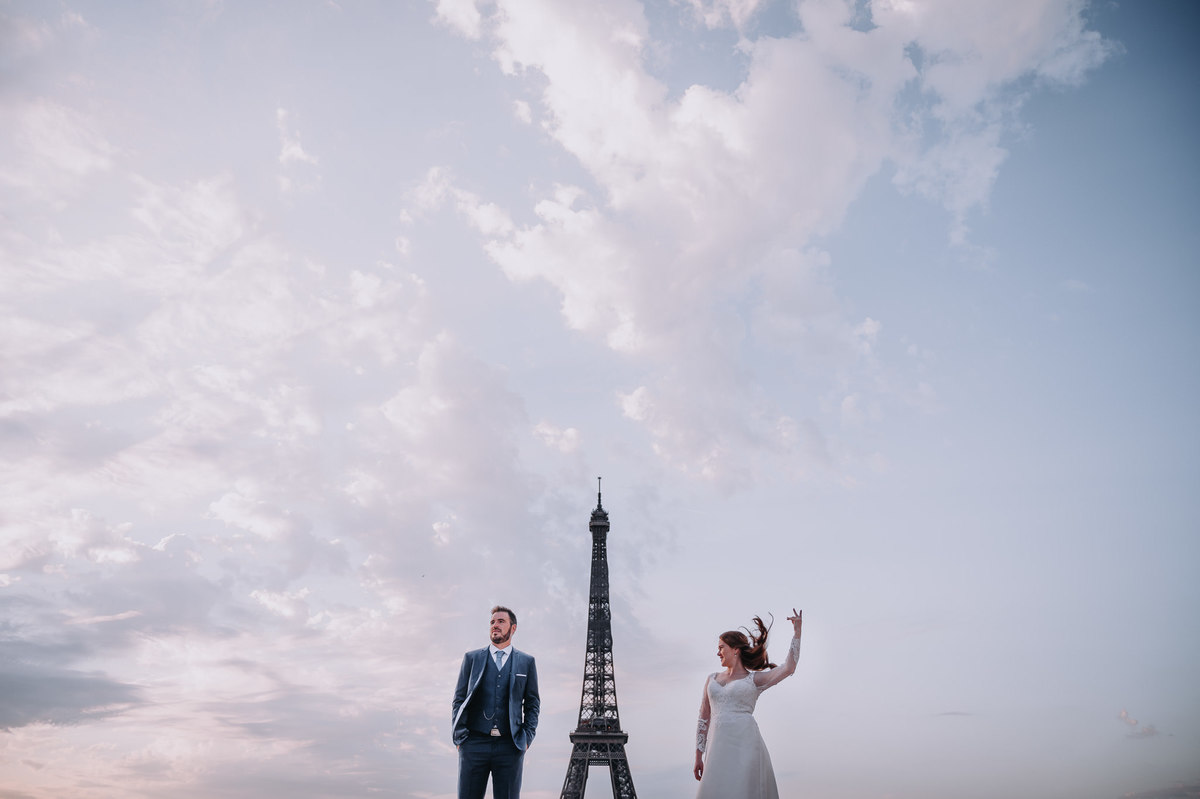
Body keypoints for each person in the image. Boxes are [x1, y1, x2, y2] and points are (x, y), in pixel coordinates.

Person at [693, 608, 803, 798]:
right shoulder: (711, 679)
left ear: (735, 649)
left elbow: (788, 668)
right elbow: (703, 717)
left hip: (747, 745)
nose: (717, 652)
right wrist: (698, 755)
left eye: (721, 647)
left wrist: (797, 633)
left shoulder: (755, 680)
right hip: (717, 747)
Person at [452, 606, 541, 799]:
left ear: (513, 628)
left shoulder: (527, 662)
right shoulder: (472, 658)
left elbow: (532, 704)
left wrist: (527, 738)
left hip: (510, 745)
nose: (495, 625)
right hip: (474, 743)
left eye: (501, 621)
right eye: (492, 622)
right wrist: (460, 738)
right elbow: (459, 699)